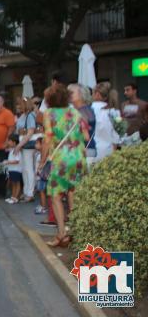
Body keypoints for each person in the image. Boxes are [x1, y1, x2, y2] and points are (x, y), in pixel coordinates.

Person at [39, 84, 88, 247]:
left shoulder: (49, 114)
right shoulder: (75, 111)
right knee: (73, 192)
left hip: (62, 159)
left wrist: (42, 161)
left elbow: (47, 139)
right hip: (79, 157)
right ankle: (76, 231)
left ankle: (62, 233)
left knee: (56, 196)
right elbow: (84, 135)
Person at [14, 97, 37, 202]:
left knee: (28, 169)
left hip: (27, 144)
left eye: (20, 104)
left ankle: (30, 192)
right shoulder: (24, 115)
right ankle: (26, 191)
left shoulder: (30, 115)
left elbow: (30, 132)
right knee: (25, 168)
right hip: (24, 144)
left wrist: (19, 145)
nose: (18, 107)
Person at [92, 82, 120, 161]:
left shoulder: (88, 110)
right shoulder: (114, 112)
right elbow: (117, 135)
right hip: (108, 152)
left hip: (90, 152)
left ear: (97, 94)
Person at [4, 134, 22, 204]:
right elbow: (6, 149)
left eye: (10, 141)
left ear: (14, 142)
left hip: (16, 169)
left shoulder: (17, 150)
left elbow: (17, 161)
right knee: (13, 183)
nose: (8, 142)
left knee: (17, 183)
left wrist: (8, 162)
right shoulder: (12, 149)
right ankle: (13, 196)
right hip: (12, 169)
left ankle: (16, 197)